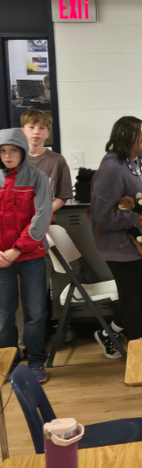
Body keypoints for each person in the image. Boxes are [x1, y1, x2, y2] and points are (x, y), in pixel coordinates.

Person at [91, 116, 142, 349]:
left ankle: (110, 332)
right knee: (130, 299)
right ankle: (138, 350)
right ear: (125, 136)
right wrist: (132, 218)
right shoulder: (111, 168)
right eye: (141, 133)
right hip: (119, 245)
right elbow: (102, 215)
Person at [0, 127, 51, 382]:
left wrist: (18, 247)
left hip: (30, 255)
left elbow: (41, 217)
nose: (8, 155)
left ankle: (36, 362)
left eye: (13, 150)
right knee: (4, 313)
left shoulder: (38, 177)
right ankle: (8, 363)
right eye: (3, 151)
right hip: (0, 259)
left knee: (36, 311)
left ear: (22, 152)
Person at [20, 109, 72, 211]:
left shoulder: (57, 160)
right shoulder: (12, 160)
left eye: (42, 128)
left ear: (48, 133)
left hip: (45, 221)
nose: (36, 132)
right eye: (31, 127)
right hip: (15, 221)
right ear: (22, 131)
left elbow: (62, 197)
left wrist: (42, 215)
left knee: (58, 228)